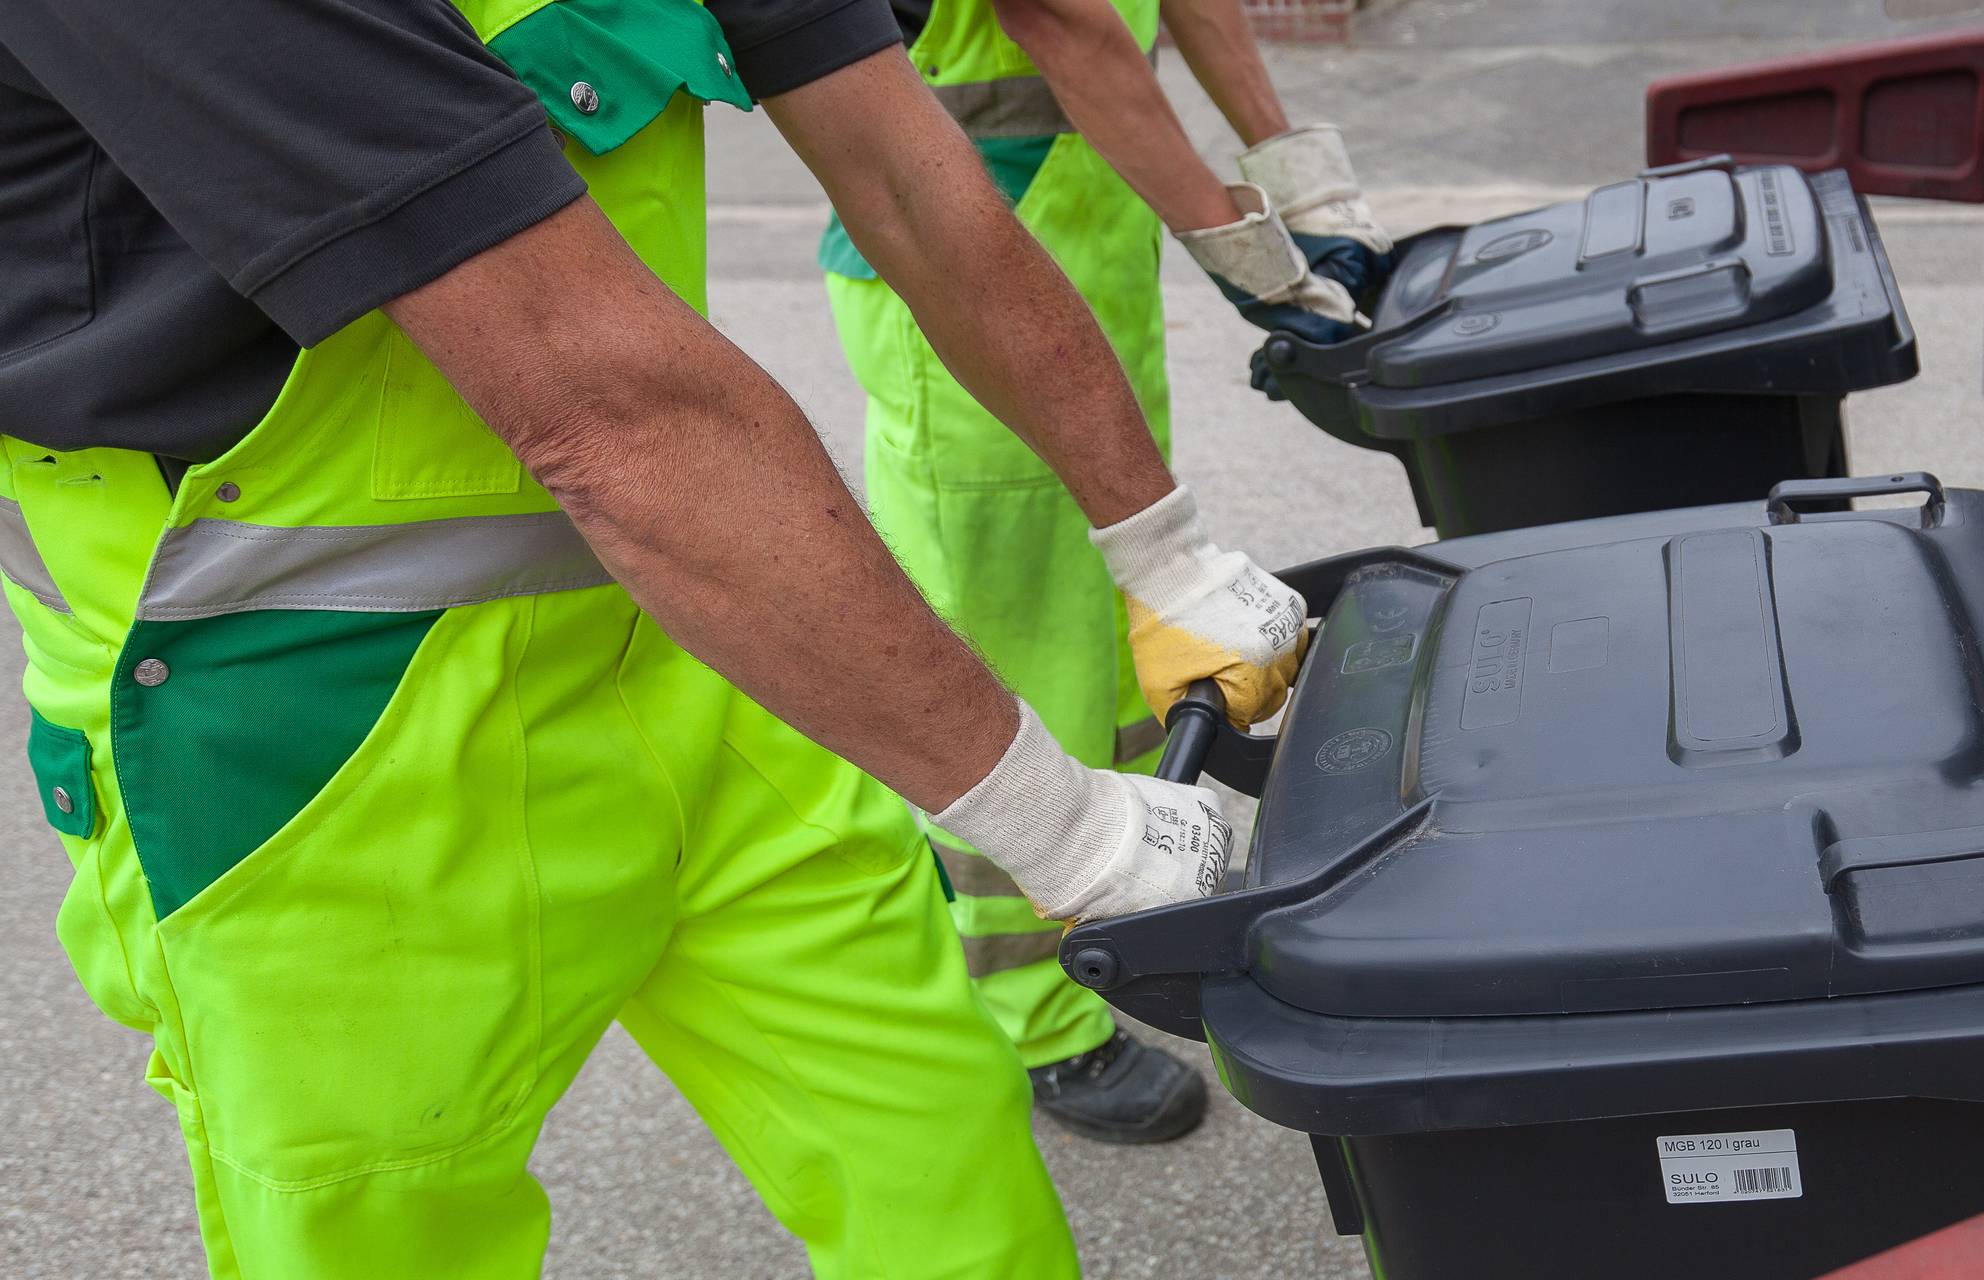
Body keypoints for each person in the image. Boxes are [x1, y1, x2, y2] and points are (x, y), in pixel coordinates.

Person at [0, 0, 1303, 1273]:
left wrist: (1162, 547)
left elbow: (911, 178)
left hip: (694, 638)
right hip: (313, 746)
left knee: (940, 1157)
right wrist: (1058, 823)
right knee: (384, 1226)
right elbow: (608, 407)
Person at [821, 0, 1388, 1142]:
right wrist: (1242, 239)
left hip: (1073, 248)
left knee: (1095, 630)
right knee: (1009, 648)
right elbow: (1066, 20)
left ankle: (1121, 897)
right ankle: (1036, 1015)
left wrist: (1287, 171)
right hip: (964, 261)